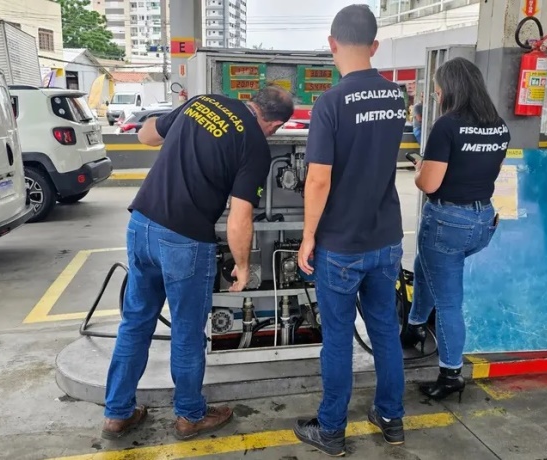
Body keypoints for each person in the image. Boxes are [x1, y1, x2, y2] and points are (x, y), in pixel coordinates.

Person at [100, 86, 294, 440]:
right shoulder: (255, 144)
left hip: (142, 224)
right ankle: (190, 415)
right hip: (184, 239)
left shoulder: (203, 102)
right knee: (187, 333)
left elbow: (146, 135)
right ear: (275, 125)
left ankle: (117, 413)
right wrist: (243, 266)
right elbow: (240, 216)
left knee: (135, 323)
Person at [294, 4, 408, 456]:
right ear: (375, 46)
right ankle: (391, 419)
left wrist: (308, 236)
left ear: (332, 44)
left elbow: (318, 179)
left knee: (338, 339)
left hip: (340, 245)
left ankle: (331, 431)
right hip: (386, 238)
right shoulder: (396, 97)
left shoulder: (330, 103)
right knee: (385, 331)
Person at [401, 57, 510, 401]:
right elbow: (492, 170)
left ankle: (451, 374)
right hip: (483, 220)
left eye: (437, 90)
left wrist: (420, 169)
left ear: (450, 89)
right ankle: (414, 326)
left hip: (448, 222)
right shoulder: (498, 126)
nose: (436, 95)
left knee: (449, 303)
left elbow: (429, 185)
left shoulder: (447, 126)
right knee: (423, 266)